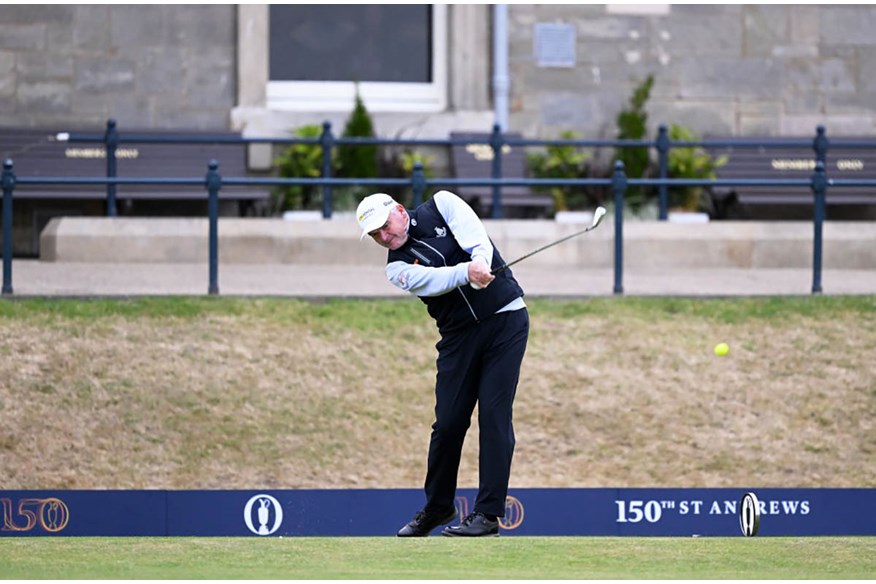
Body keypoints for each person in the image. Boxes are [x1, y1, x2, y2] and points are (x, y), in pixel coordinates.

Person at [356, 190, 529, 538]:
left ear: (400, 212)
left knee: (494, 417)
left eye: (385, 227)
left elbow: (475, 235)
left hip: (504, 319)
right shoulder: (397, 269)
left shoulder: (442, 204)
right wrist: (468, 271)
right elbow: (436, 282)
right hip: (458, 337)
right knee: (448, 424)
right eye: (376, 235)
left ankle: (487, 515)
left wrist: (481, 260)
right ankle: (438, 507)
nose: (384, 237)